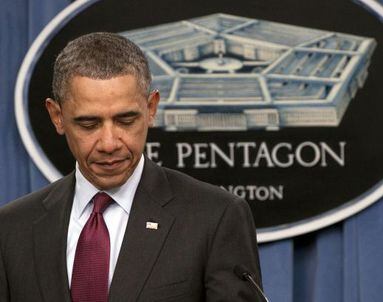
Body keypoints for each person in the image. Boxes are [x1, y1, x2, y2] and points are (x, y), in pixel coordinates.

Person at [0, 32, 262, 302]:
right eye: (89, 124)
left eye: (126, 120)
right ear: (57, 116)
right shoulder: (11, 229)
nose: (109, 143)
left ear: (151, 108)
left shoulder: (215, 217)